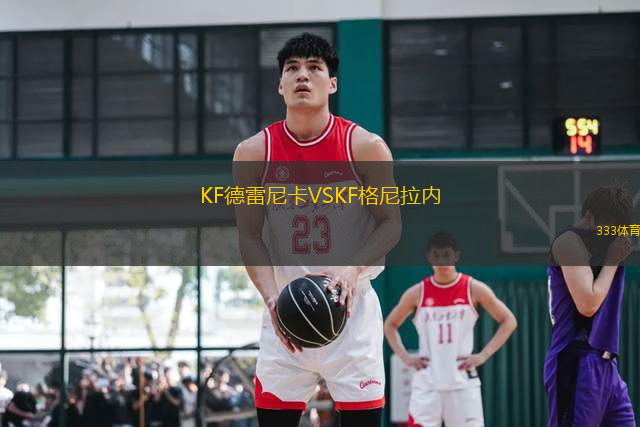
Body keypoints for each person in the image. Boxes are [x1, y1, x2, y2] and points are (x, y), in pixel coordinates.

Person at [233, 32, 401, 427]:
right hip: (285, 313)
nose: (302, 75)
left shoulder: (365, 147)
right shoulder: (253, 154)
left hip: (351, 313)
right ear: (280, 85)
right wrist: (271, 299)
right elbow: (249, 235)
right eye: (292, 68)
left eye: (314, 68)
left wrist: (352, 268)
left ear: (333, 83)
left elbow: (391, 223)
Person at [384, 231, 517, 427]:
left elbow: (509, 320)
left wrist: (483, 355)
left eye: (446, 255)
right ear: (429, 257)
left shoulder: (473, 288)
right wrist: (405, 357)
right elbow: (390, 324)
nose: (442, 261)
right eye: (436, 255)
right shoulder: (417, 293)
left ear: (456, 255)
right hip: (427, 383)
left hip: (461, 382)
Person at [544, 186, 636, 426]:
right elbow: (588, 304)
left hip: (607, 364)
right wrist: (612, 261)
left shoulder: (609, 242)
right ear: (588, 217)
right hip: (577, 359)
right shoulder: (569, 242)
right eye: (606, 228)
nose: (611, 235)